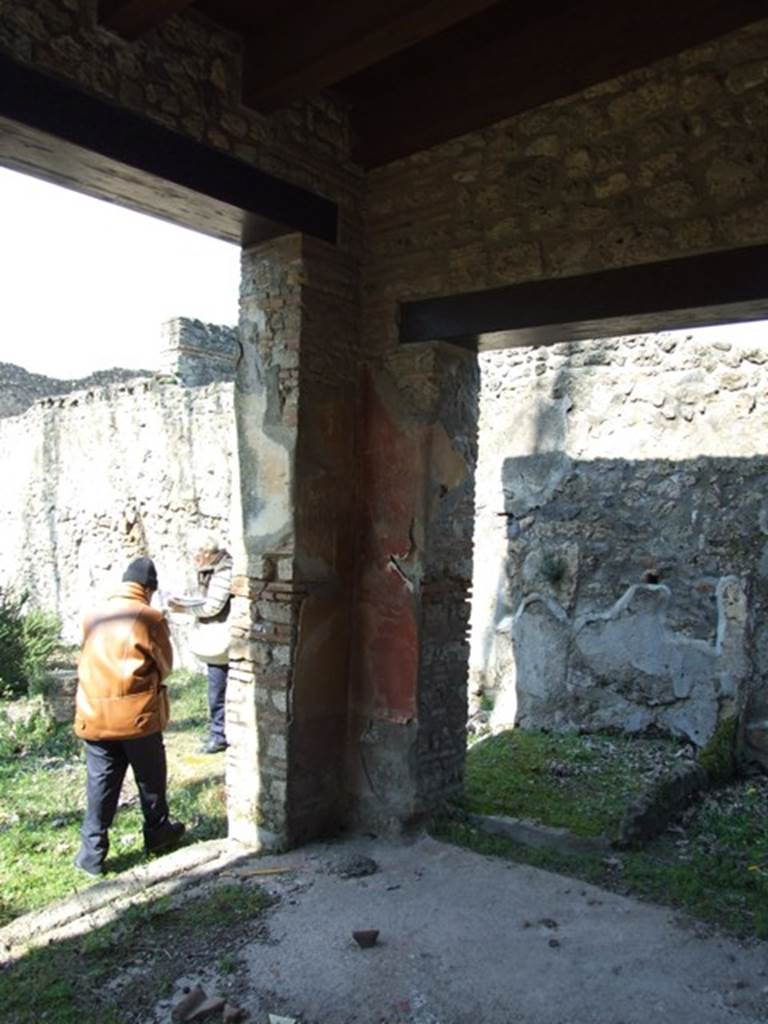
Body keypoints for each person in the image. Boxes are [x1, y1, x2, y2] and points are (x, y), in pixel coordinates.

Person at [73, 556, 185, 876]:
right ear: (148, 589)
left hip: (93, 713)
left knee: (100, 782)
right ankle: (158, 832)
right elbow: (164, 665)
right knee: (150, 778)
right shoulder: (149, 617)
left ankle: (91, 854)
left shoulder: (92, 616)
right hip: (136, 715)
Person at [170, 534, 233, 754]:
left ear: (206, 553)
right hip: (216, 638)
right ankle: (219, 732)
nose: (193, 559)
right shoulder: (212, 570)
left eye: (195, 554)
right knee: (217, 689)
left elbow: (212, 607)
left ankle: (219, 735)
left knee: (218, 691)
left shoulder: (224, 571)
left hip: (222, 637)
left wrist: (184, 608)